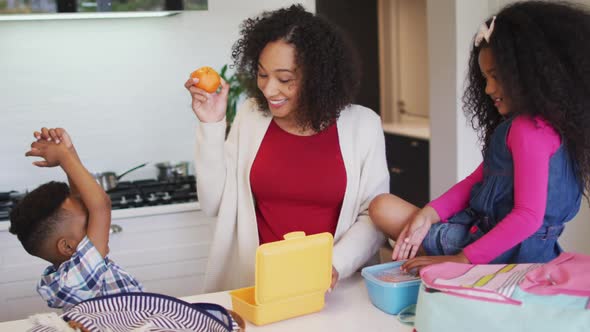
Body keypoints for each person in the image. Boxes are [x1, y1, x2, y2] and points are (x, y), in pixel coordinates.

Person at [369, 1, 590, 272]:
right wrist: (428, 214)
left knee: (381, 207)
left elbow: (528, 217)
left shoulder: (527, 130)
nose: (488, 89)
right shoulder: (552, 127)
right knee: (389, 210)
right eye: (485, 78)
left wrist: (461, 260)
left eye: (496, 76)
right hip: (507, 241)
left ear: (530, 75)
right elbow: (479, 179)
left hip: (506, 253)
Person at [184, 4, 389, 291]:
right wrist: (211, 124)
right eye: (262, 74)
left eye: (285, 79)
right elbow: (213, 203)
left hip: (333, 288)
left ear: (318, 79)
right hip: (258, 285)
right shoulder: (251, 117)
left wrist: (333, 265)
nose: (268, 90)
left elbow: (373, 216)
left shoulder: (363, 125)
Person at [9, 127, 143, 310]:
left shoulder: (72, 272)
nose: (99, 226)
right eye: (90, 221)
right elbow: (100, 206)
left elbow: (86, 199)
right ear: (67, 246)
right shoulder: (76, 278)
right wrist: (64, 157)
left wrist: (69, 151)